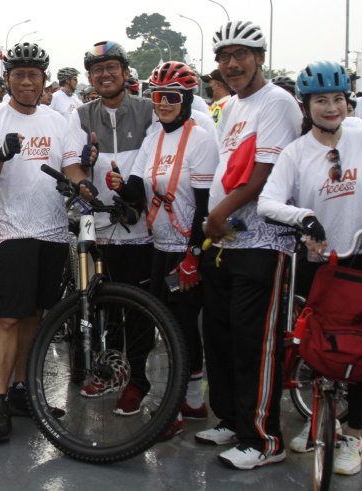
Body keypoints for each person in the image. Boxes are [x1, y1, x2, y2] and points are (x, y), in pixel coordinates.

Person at [257, 60, 362, 477]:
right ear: (307, 106)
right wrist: (303, 218)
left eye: (338, 98)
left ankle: (353, 434)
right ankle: (324, 421)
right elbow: (268, 202)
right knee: (317, 345)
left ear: (348, 101)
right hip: (321, 262)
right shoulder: (295, 154)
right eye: (321, 100)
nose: (331, 107)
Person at [196, 21, 302, 470]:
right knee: (218, 334)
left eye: (241, 54)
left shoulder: (276, 102)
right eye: (224, 57)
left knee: (254, 340)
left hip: (261, 242)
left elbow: (266, 176)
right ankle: (233, 421)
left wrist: (219, 214)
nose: (231, 64)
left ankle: (264, 439)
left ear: (259, 57)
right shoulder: (233, 105)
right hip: (226, 243)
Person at [0, 42, 90, 444]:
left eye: (33, 75)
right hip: (14, 231)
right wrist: (0, 157)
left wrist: (82, 184)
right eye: (19, 74)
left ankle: (22, 390)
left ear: (44, 81)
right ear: (7, 79)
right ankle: (0, 402)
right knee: (9, 316)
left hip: (53, 229)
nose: (26, 81)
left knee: (35, 315)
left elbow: (71, 165)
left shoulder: (59, 120)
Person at [121, 61, 218, 439]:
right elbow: (135, 187)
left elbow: (207, 205)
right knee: (172, 326)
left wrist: (195, 254)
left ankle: (175, 408)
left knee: (179, 328)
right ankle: (193, 400)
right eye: (157, 96)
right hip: (159, 245)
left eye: (172, 97)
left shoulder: (200, 139)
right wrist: (115, 182)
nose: (162, 103)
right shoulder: (154, 137)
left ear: (187, 99)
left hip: (187, 247)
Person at [65, 41, 157, 415]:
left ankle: (136, 380)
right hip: (92, 218)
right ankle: (108, 369)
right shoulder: (82, 114)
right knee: (94, 299)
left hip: (136, 221)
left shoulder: (149, 110)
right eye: (97, 69)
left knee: (136, 305)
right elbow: (72, 164)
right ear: (89, 77)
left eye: (112, 67)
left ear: (125, 71)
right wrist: (81, 182)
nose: (105, 74)